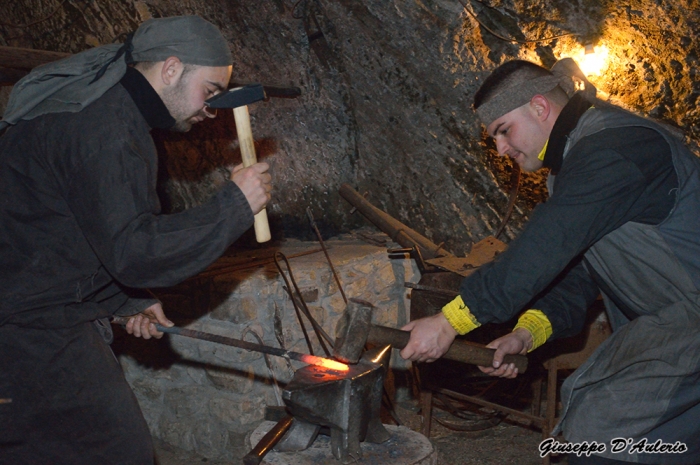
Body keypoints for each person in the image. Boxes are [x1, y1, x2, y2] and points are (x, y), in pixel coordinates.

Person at [0, 16, 271, 464]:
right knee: (115, 451)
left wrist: (124, 300)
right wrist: (234, 206)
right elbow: (133, 250)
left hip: (31, 305)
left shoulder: (104, 106)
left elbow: (72, 227)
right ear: (171, 69)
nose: (212, 109)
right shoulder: (104, 128)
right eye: (210, 92)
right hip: (27, 328)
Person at [400, 59, 700, 465]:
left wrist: (449, 322)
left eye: (503, 131)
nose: (502, 149)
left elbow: (546, 245)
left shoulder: (617, 147)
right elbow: (579, 271)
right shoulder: (574, 167)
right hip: (672, 326)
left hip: (688, 326)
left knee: (597, 427)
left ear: (539, 107)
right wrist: (527, 333)